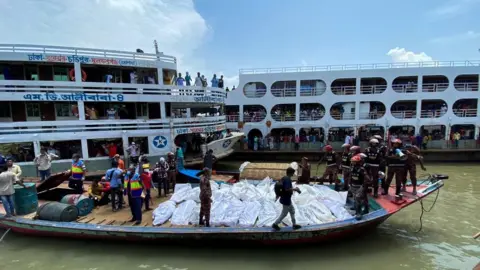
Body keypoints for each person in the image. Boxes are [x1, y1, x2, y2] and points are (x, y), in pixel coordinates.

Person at [349, 155, 370, 220]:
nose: (352, 162)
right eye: (352, 161)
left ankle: (359, 213)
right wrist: (350, 184)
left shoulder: (362, 169)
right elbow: (350, 176)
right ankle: (359, 211)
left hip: (360, 186)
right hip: (353, 186)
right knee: (355, 198)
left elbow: (367, 178)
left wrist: (364, 186)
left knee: (358, 198)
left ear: (357, 162)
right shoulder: (352, 168)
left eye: (354, 162)